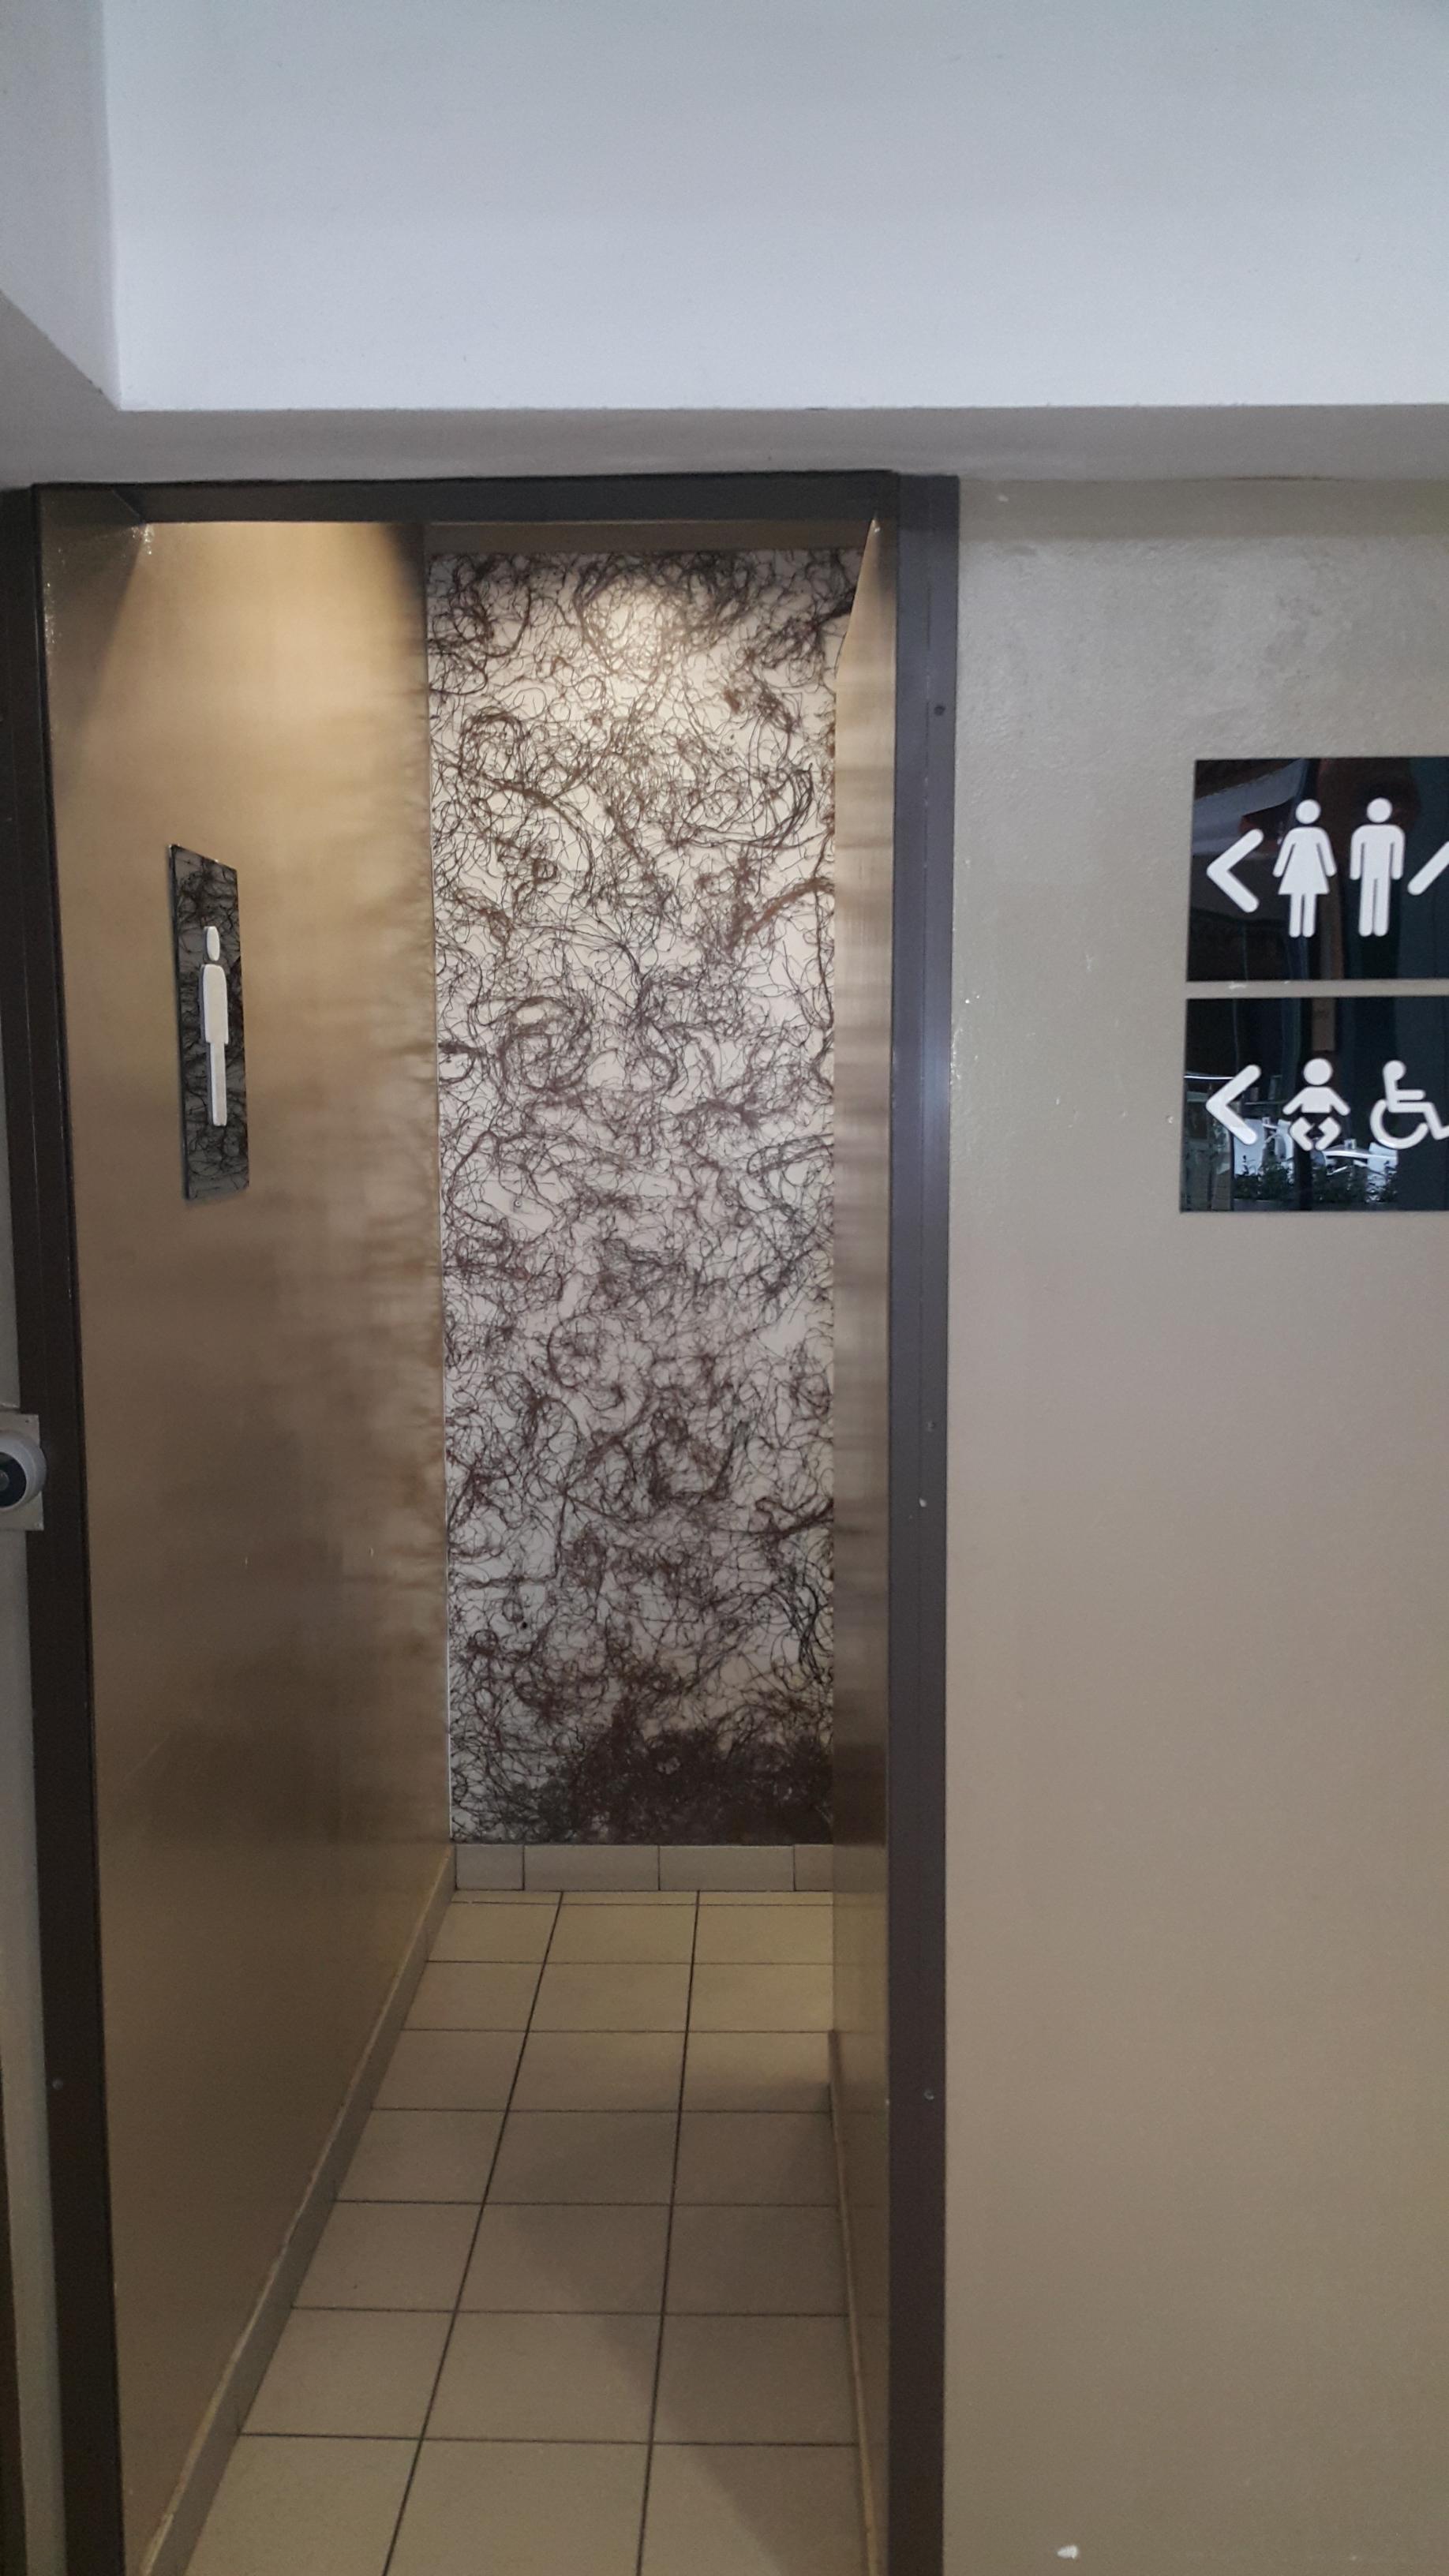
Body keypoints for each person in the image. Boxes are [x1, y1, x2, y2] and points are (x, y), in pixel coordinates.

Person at [1273, 797, 1336, 941]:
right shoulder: (1311, 834)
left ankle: (1303, 929)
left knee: (1306, 900)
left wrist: (1279, 870)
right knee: (1302, 900)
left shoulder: (1313, 834)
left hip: (1305, 871)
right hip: (1303, 871)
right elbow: (1285, 853)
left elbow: (1325, 853)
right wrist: (1330, 870)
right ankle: (1300, 929)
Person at [1349, 796, 1404, 938]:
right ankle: (1367, 926)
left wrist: (1396, 871)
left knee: (1380, 895)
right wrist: (1355, 871)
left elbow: (1397, 853)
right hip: (1371, 870)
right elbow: (1357, 852)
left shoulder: (1393, 833)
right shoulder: (1364, 833)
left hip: (1382, 871)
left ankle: (1378, 926)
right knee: (1369, 895)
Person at [1282, 1055, 1349, 1154]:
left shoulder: (1320, 1092)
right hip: (1314, 1118)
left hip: (1318, 1118)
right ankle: (1315, 1146)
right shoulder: (1321, 1092)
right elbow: (1343, 1109)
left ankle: (1317, 1146)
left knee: (1298, 1131)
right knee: (1297, 1131)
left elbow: (1289, 1109)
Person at [199, 924, 230, 1127]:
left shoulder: (218, 974)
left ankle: (221, 1116)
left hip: (219, 1033)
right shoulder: (209, 973)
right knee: (215, 1070)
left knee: (219, 1071)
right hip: (213, 1032)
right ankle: (219, 1116)